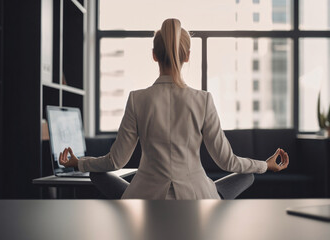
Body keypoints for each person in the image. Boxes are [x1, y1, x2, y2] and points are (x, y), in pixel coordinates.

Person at [59, 18, 289, 200]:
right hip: (197, 198)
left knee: (98, 174)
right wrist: (264, 165)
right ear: (187, 56)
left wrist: (78, 163)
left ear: (154, 55)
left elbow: (115, 162)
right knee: (247, 175)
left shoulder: (137, 99)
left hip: (144, 197)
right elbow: (227, 162)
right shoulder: (203, 100)